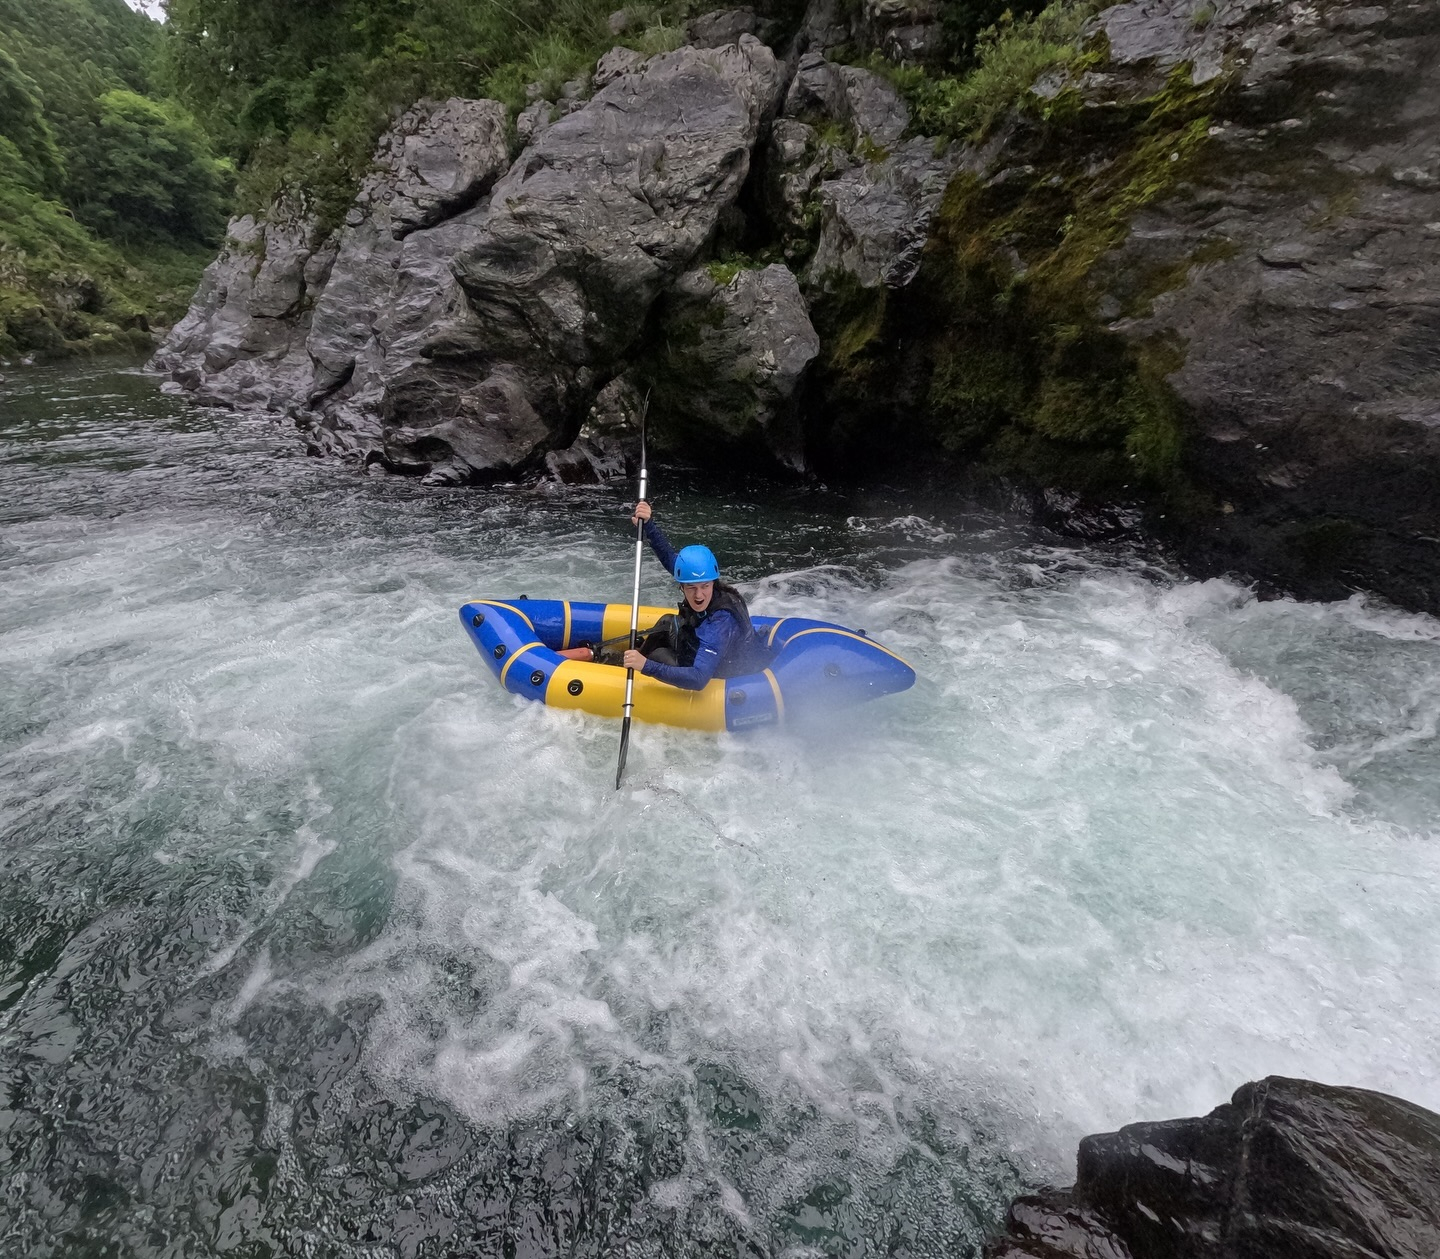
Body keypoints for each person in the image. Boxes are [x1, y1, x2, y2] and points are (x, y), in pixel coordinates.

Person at [559, 501, 771, 689]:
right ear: (682, 586)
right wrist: (648, 524)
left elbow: (698, 679)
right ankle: (625, 665)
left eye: (704, 587)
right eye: (691, 588)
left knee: (659, 655)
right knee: (667, 622)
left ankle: (633, 666)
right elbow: (670, 558)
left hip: (723, 674)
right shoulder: (704, 584)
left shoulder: (719, 622)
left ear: (713, 583)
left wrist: (646, 666)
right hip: (708, 651)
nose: (698, 595)